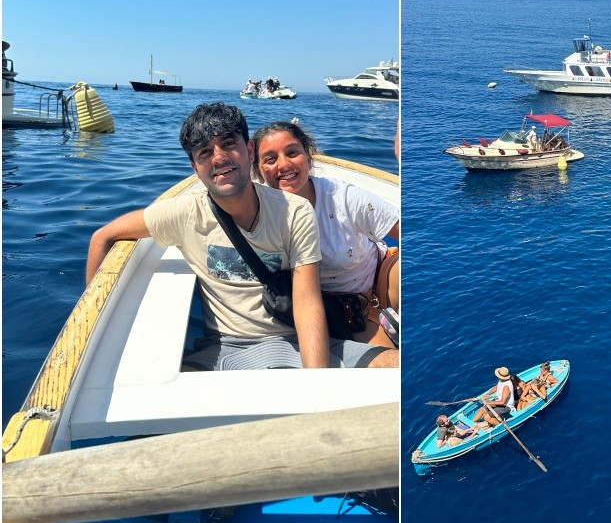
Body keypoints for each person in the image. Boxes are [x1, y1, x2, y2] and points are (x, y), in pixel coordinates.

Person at [86, 102, 397, 371]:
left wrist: (314, 385)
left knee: (393, 367)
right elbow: (103, 236)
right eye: (205, 152)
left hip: (296, 338)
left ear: (248, 150)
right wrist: (90, 335)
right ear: (195, 167)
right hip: (224, 347)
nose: (219, 158)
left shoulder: (295, 211)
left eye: (228, 144)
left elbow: (306, 302)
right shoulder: (182, 213)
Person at [252, 120, 399, 348]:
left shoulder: (343, 198)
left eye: (292, 153)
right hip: (344, 311)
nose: (284, 164)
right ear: (259, 172)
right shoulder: (256, 214)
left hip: (381, 275)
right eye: (270, 159)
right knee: (387, 364)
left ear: (308, 159)